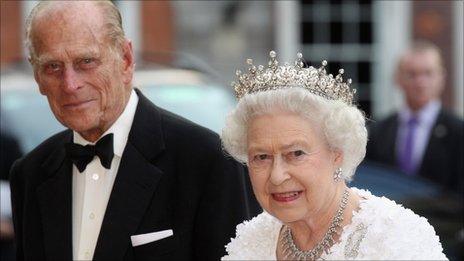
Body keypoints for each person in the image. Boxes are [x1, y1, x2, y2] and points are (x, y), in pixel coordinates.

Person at [10, 1, 258, 260]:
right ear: (38, 76)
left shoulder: (208, 160)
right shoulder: (30, 174)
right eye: (53, 67)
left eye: (86, 61)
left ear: (126, 60)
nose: (70, 84)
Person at [220, 51, 447, 260]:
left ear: (337, 153)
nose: (277, 176)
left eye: (296, 153)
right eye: (261, 157)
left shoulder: (396, 239)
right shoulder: (252, 241)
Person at [366, 41, 463, 193]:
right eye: (412, 74)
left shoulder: (458, 131)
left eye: (428, 73)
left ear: (441, 77)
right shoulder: (378, 130)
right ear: (398, 78)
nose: (420, 82)